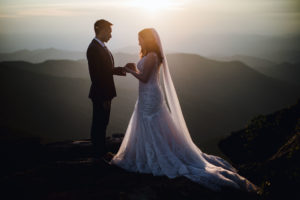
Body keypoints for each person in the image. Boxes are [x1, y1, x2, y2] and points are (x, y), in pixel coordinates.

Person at [110, 28, 258, 192]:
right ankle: (146, 155)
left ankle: (155, 157)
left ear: (147, 39)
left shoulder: (152, 56)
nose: (138, 42)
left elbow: (145, 79)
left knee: (152, 125)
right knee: (147, 124)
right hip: (146, 95)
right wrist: (135, 69)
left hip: (151, 96)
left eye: (140, 39)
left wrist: (131, 71)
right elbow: (145, 75)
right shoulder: (149, 55)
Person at [86, 19, 127, 159]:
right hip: (100, 94)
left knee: (103, 123)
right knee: (98, 124)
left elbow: (106, 70)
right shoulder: (93, 49)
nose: (111, 35)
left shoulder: (102, 46)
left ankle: (102, 152)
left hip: (106, 93)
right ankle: (98, 155)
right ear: (102, 30)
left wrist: (123, 69)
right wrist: (103, 96)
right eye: (109, 32)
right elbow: (96, 76)